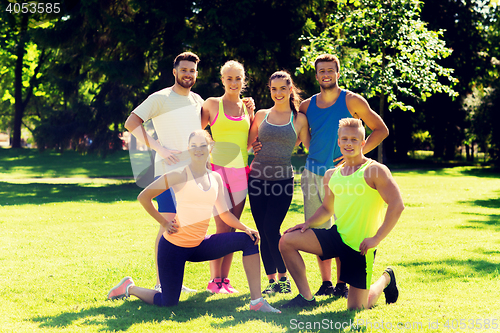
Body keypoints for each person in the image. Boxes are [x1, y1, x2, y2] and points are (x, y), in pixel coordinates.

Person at [108, 130, 280, 313]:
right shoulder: (179, 175)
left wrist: (246, 228)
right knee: (168, 302)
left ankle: (257, 302)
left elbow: (224, 214)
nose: (198, 150)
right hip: (174, 248)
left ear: (210, 148)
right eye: (193, 147)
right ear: (188, 150)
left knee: (249, 240)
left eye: (202, 146)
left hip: (199, 245)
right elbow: (144, 197)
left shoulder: (216, 178)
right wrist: (164, 223)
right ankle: (129, 287)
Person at [124, 52, 254, 293]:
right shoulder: (160, 98)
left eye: (192, 71)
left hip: (194, 177)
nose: (188, 74)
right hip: (168, 172)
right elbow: (131, 123)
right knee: (169, 224)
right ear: (174, 72)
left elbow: (214, 126)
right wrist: (159, 148)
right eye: (184, 70)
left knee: (184, 227)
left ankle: (173, 282)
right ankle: (162, 282)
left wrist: (247, 105)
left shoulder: (197, 100)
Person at [278, 118, 404, 310]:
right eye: (344, 139)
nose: (348, 143)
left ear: (363, 143)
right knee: (286, 241)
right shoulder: (332, 174)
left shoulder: (374, 171)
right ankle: (306, 298)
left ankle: (386, 278)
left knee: (357, 307)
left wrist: (376, 238)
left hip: (360, 247)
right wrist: (307, 224)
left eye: (354, 140)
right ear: (338, 142)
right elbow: (327, 209)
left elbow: (397, 205)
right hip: (337, 237)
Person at [298, 54, 389, 298]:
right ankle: (326, 283)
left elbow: (381, 130)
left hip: (346, 176)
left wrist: (358, 153)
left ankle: (343, 283)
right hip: (313, 174)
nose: (326, 74)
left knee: (344, 228)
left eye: (330, 70)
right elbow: (295, 133)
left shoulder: (352, 101)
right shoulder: (306, 106)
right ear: (316, 75)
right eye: (321, 71)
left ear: (338, 73)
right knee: (319, 229)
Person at [247, 71, 310, 295]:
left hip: (282, 181)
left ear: (290, 89)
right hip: (256, 180)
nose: (278, 93)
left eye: (282, 88)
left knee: (272, 228)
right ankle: (272, 281)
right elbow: (248, 144)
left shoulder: (299, 119)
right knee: (264, 231)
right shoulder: (261, 115)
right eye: (273, 89)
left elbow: (310, 148)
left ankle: (284, 278)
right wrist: (252, 144)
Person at [202, 60, 254, 294]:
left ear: (244, 81)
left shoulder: (247, 108)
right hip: (217, 172)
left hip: (241, 173)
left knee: (233, 229)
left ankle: (225, 281)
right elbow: (196, 133)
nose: (234, 82)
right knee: (221, 225)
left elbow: (250, 142)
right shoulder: (212, 104)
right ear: (222, 80)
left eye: (238, 78)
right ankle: (214, 281)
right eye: (229, 78)